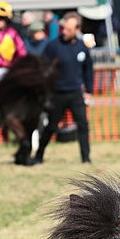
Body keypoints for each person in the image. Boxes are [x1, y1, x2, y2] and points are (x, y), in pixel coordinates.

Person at [29, 11, 93, 166]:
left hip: (76, 93)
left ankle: (86, 158)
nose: (65, 31)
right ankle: (38, 156)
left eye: (69, 29)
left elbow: (88, 69)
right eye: (64, 28)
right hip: (58, 94)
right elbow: (43, 68)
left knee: (83, 125)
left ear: (77, 29)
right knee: (51, 126)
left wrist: (89, 91)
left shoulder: (82, 47)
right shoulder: (53, 46)